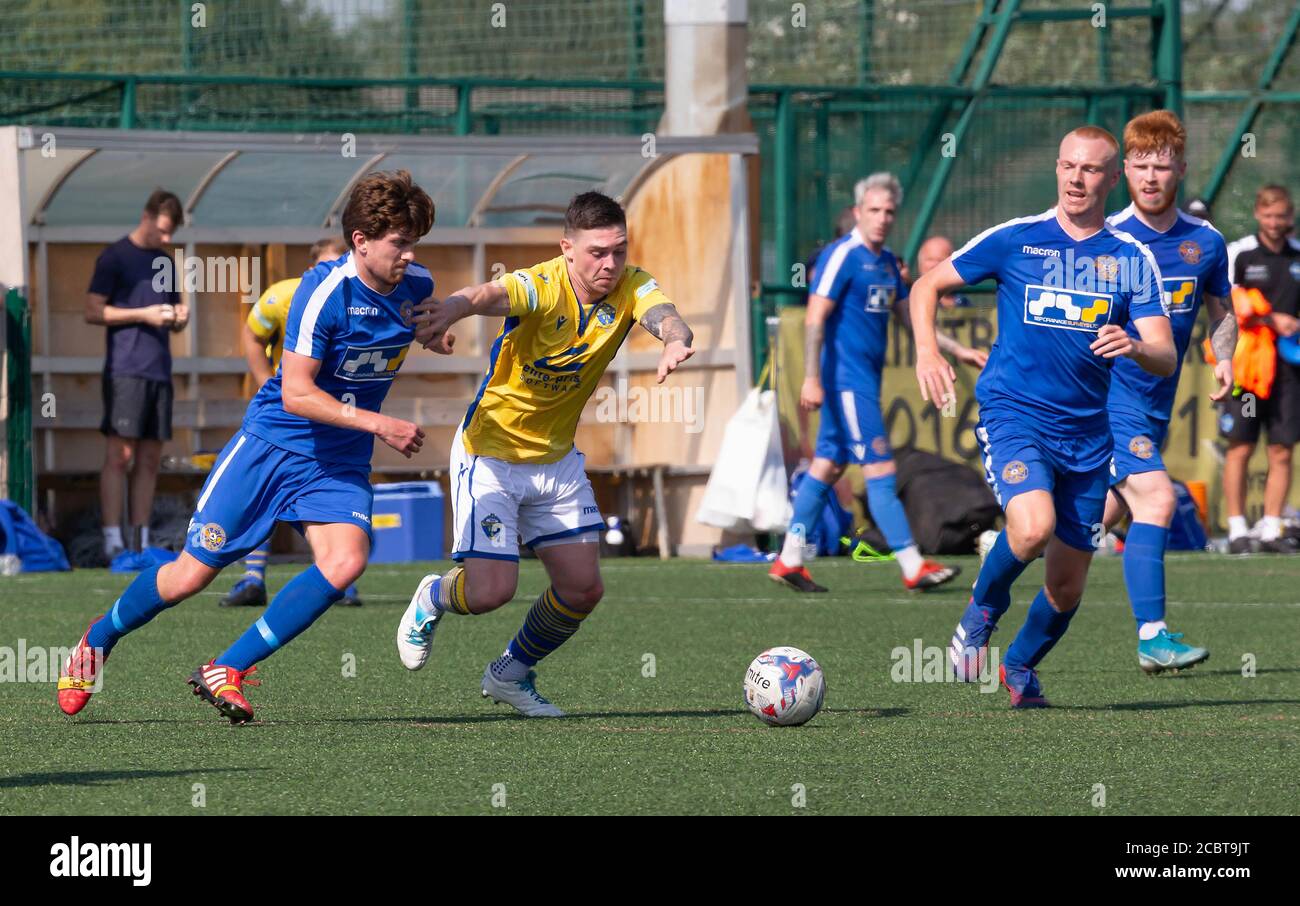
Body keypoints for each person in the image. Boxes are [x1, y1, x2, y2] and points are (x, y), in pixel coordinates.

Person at [57, 170, 434, 723]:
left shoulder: (417, 282)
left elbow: (433, 314)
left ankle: (226, 668)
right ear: (361, 241)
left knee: (346, 561)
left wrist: (439, 329)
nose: (408, 255)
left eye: (413, 243)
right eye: (399, 243)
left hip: (336, 461)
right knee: (190, 575)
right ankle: (98, 639)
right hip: (272, 446)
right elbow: (299, 394)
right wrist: (380, 424)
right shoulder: (321, 292)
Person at [395, 191, 694, 717]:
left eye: (619, 250)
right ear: (567, 249)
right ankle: (433, 597)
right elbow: (487, 294)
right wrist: (451, 311)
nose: (610, 263)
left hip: (556, 462)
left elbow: (665, 314)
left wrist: (674, 340)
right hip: (490, 454)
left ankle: (509, 674)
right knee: (490, 592)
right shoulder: (543, 283)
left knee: (582, 590)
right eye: (598, 252)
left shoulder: (632, 284)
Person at [912, 126, 1176, 708]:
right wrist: (927, 350)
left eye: (1089, 170)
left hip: (1088, 434)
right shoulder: (1017, 239)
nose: (1076, 179)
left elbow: (1165, 353)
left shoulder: (1130, 260)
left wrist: (1134, 345)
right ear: (1057, 169)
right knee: (1031, 526)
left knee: (1066, 586)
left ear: (1113, 179)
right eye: (1067, 166)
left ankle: (1019, 666)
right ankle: (980, 615)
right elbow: (926, 286)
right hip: (1015, 413)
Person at [768, 173, 985, 594]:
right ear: (856, 212)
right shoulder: (841, 256)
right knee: (881, 468)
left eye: (889, 212)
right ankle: (911, 564)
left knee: (828, 464)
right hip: (845, 383)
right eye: (874, 210)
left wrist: (956, 350)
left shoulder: (886, 263)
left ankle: (789, 558)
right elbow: (814, 319)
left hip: (863, 380)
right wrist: (812, 378)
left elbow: (908, 317)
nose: (882, 218)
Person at [1101, 110, 1233, 673]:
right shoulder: (1106, 239)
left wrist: (1223, 358)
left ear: (1181, 167)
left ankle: (988, 599)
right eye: (1139, 166)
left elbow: (1220, 308)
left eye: (1162, 166)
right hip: (1105, 400)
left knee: (1086, 523)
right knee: (1156, 499)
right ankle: (1152, 637)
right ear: (1124, 170)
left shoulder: (1204, 242)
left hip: (1155, 403)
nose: (1151, 177)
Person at [218, 237, 365, 608]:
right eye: (328, 265)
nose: (337, 273)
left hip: (333, 416)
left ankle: (338, 577)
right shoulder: (286, 295)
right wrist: (268, 382)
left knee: (336, 487)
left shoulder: (362, 299)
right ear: (312, 267)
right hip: (289, 414)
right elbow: (253, 334)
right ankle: (253, 577)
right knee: (265, 491)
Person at [85, 189, 189, 560]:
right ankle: (112, 539)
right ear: (146, 217)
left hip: (159, 370)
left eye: (170, 233)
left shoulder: (165, 262)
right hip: (125, 370)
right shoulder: (114, 257)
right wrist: (141, 315)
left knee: (148, 458)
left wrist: (179, 318)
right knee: (119, 455)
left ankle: (140, 541)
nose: (166, 239)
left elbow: (174, 309)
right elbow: (93, 310)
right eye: (162, 230)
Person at [1221, 185, 1300, 553]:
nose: (1275, 223)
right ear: (1257, 215)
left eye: (1281, 216)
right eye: (1268, 216)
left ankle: (1272, 527)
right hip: (1249, 369)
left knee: (1282, 449)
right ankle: (1237, 529)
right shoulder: (1239, 253)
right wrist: (1271, 319)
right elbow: (1225, 305)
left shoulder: (1297, 256)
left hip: (1290, 371)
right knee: (1241, 445)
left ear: (1291, 216)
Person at [917, 236, 973, 308]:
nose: (934, 265)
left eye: (940, 260)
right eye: (930, 259)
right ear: (920, 262)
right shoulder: (908, 298)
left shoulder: (962, 302)